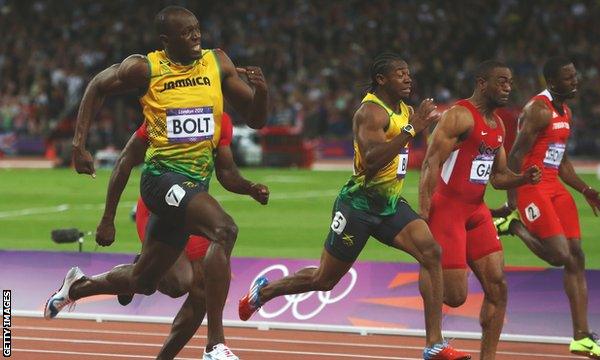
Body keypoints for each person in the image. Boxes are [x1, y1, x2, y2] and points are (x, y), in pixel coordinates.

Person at [44, 6, 268, 360]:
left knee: (143, 280)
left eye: (197, 29)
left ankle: (77, 286)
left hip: (193, 186)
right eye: (187, 32)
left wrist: (262, 91)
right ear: (167, 40)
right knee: (224, 230)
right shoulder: (146, 68)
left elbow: (256, 119)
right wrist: (78, 145)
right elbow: (96, 86)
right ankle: (216, 346)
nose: (196, 36)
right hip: (161, 179)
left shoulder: (218, 62)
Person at [238, 53, 469, 360]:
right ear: (381, 79)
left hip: (388, 205)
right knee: (325, 279)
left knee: (431, 252)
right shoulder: (370, 111)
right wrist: (411, 129)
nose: (408, 78)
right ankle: (263, 292)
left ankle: (434, 344)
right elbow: (371, 162)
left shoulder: (406, 110)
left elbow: (406, 151)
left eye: (409, 73)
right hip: (357, 207)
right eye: (400, 74)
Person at [99, 113, 268, 360]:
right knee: (177, 284)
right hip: (159, 203)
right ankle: (120, 274)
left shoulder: (221, 118)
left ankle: (199, 350)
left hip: (191, 203)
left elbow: (226, 172)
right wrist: (108, 217)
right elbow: (126, 158)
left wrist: (249, 188)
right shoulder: (170, 104)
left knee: (201, 288)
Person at [493, 56, 600, 360]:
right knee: (560, 255)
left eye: (575, 75)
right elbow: (515, 154)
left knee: (576, 258)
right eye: (569, 77)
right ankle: (513, 225)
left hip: (554, 187)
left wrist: (585, 189)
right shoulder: (538, 110)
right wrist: (514, 199)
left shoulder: (566, 112)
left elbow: (561, 162)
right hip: (530, 184)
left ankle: (582, 338)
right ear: (552, 82)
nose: (576, 81)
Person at [419, 60, 541, 360]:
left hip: (476, 211)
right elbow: (430, 162)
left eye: (510, 82)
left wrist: (522, 178)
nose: (508, 87)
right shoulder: (459, 116)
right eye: (501, 81)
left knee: (497, 286)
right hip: (447, 210)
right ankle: (428, 265)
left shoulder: (498, 125)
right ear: (481, 83)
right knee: (455, 297)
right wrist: (423, 215)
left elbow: (498, 178)